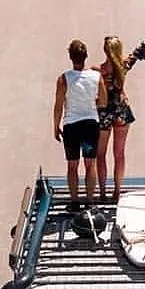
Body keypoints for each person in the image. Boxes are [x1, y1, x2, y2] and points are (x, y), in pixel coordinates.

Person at [97, 18, 145, 202]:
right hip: (122, 112)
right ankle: (117, 190)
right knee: (120, 154)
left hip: (105, 113)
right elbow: (141, 48)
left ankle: (101, 192)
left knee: (101, 155)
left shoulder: (97, 70)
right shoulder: (123, 65)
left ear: (105, 51)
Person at [53, 38, 107, 210]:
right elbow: (103, 101)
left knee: (72, 165)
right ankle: (90, 201)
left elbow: (58, 105)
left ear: (70, 56)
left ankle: (75, 200)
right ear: (86, 56)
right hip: (91, 123)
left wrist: (55, 126)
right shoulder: (96, 77)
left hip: (71, 125)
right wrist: (92, 104)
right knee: (90, 164)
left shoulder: (64, 79)